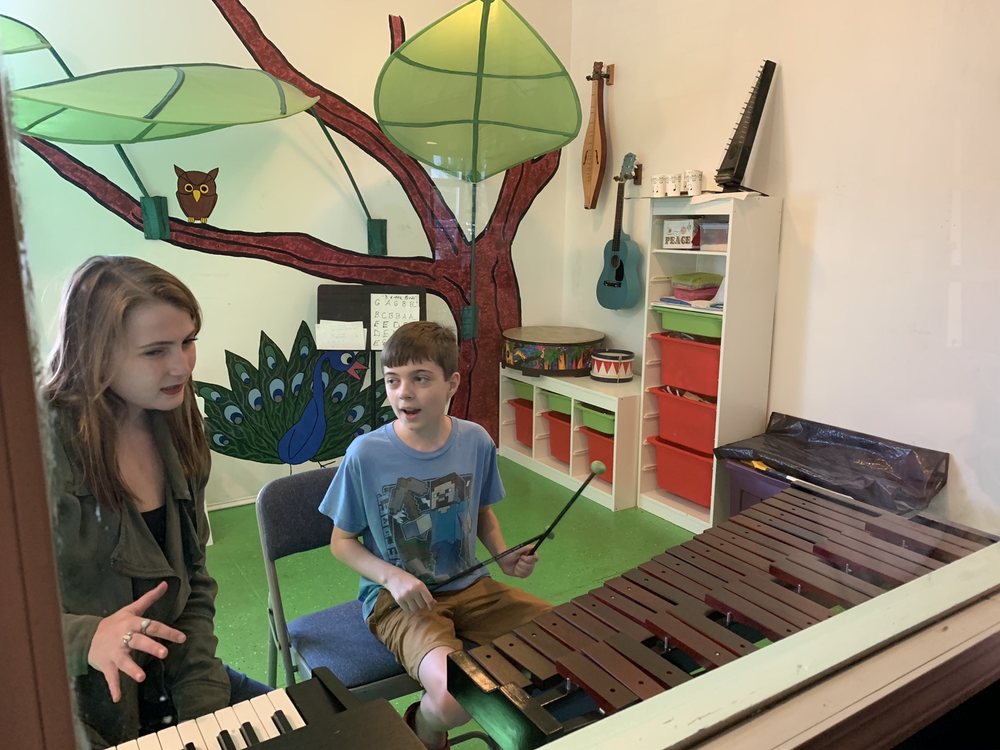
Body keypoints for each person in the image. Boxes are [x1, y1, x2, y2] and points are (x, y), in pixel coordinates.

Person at [44, 256, 269, 748]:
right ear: (93, 353)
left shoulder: (176, 415)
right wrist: (85, 637)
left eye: (187, 341)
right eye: (154, 351)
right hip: (78, 709)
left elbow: (193, 583)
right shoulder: (34, 444)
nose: (181, 366)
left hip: (173, 678)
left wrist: (204, 712)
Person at [319, 321, 552, 750]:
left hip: (472, 586)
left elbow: (481, 513)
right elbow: (342, 541)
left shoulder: (475, 441)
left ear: (452, 383)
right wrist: (392, 577)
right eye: (393, 380)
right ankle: (421, 732)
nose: (403, 393)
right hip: (400, 602)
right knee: (452, 699)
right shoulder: (366, 455)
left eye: (420, 379)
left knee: (567, 642)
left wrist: (503, 555)